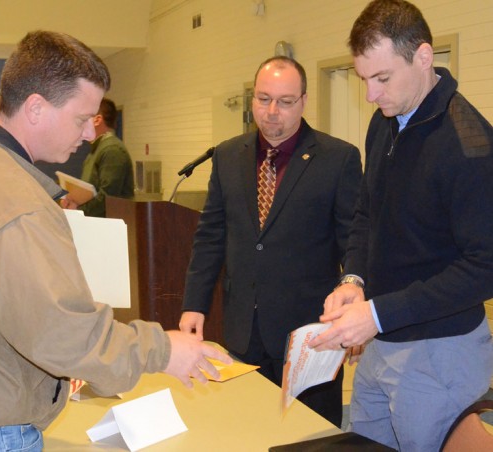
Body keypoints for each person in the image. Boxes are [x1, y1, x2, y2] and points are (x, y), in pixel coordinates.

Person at [0, 30, 231, 451]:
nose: (91, 134)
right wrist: (162, 350)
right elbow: (63, 333)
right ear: (35, 108)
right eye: (81, 118)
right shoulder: (10, 199)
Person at [309, 0, 493, 449]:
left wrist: (375, 314)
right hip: (384, 341)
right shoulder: (385, 122)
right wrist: (354, 278)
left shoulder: (469, 143)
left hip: (439, 352)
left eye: (382, 78)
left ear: (424, 57)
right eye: (364, 79)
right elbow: (367, 213)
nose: (371, 94)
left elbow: (484, 268)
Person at [179, 56, 362, 427]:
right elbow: (211, 235)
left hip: (310, 335)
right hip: (244, 331)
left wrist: (355, 295)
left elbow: (354, 239)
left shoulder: (337, 158)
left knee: (310, 435)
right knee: (248, 429)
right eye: (263, 99)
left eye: (285, 101)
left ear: (304, 101)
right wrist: (194, 305)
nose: (272, 112)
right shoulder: (229, 155)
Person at [79, 97, 134, 217]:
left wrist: (79, 210)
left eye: (85, 118)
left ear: (97, 120)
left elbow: (108, 198)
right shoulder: (98, 149)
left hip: (108, 228)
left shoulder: (112, 150)